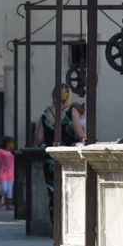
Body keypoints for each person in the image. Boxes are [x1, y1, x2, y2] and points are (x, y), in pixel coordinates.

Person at [34, 85, 85, 222]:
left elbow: (38, 139)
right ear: (68, 96)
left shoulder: (45, 113)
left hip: (49, 159)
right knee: (71, 192)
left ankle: (55, 225)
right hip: (68, 157)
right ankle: (68, 225)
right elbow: (80, 135)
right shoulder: (72, 111)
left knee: (53, 193)